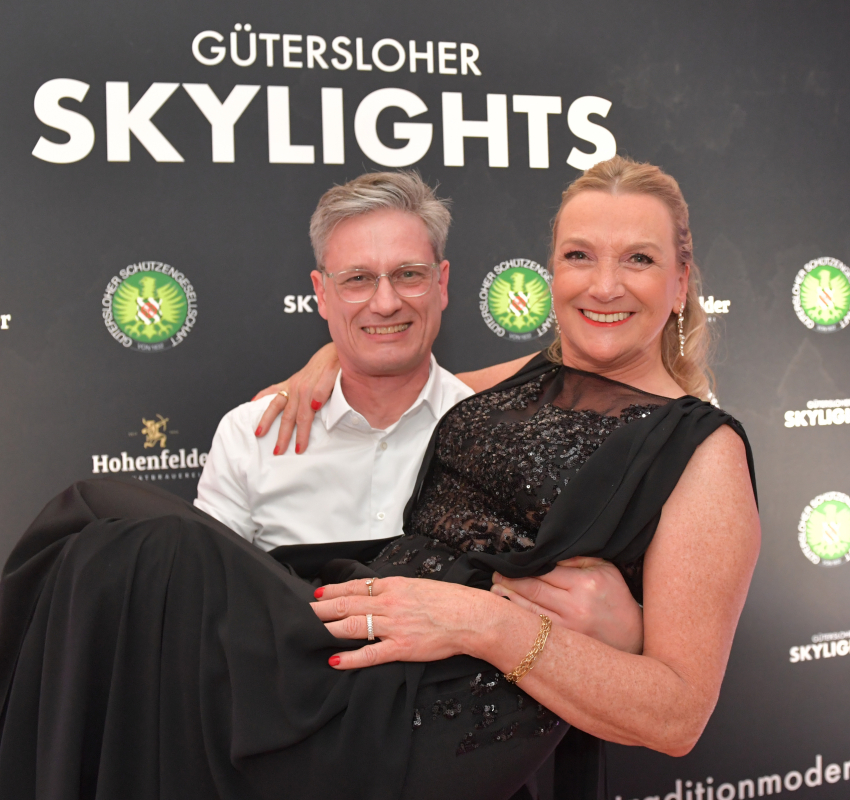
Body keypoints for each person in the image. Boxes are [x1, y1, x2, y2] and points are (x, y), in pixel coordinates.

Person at [0, 157, 760, 800]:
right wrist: (326, 358)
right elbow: (394, 353)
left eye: (639, 259)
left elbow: (677, 717)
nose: (603, 286)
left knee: (132, 539)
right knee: (96, 539)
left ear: (681, 281)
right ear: (553, 270)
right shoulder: (531, 378)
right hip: (365, 640)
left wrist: (484, 621)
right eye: (579, 256)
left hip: (438, 712)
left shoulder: (706, 451)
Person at [196, 171, 643, 654]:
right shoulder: (250, 436)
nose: (386, 303)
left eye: (409, 274)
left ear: (442, 283)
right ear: (321, 293)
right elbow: (203, 613)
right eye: (357, 279)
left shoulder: (511, 439)